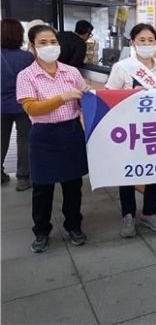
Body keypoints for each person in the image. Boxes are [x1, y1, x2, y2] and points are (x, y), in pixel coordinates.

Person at [16, 25, 89, 253]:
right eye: (43, 43)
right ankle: (41, 231)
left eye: (53, 42)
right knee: (42, 188)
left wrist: (87, 95)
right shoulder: (26, 76)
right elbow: (32, 108)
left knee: (73, 186)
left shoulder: (71, 72)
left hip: (71, 132)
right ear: (32, 46)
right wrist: (63, 97)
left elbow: (83, 100)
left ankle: (74, 226)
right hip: (43, 136)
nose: (49, 46)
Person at [105, 23, 156, 237]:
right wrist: (130, 95)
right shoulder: (122, 67)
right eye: (142, 40)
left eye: (150, 40)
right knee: (128, 173)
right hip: (131, 131)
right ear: (133, 43)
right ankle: (128, 215)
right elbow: (108, 99)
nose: (146, 44)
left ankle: (149, 211)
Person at [1, 18, 34, 190]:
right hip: (23, 105)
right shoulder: (27, 58)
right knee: (25, 140)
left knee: (1, 140)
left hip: (1, 106)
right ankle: (23, 178)